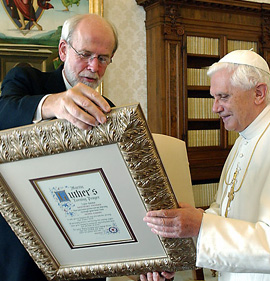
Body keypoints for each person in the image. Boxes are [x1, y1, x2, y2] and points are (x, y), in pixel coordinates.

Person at [0, 14, 173, 281]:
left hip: (86, 254)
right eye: (85, 54)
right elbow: (4, 112)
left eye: (103, 58)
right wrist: (54, 104)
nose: (93, 66)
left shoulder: (110, 110)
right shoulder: (27, 79)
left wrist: (148, 256)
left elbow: (124, 186)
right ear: (62, 50)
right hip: (25, 252)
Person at [143, 50, 270, 280]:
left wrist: (202, 226)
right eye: (213, 97)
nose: (215, 108)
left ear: (259, 93)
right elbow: (224, 210)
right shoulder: (244, 138)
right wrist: (183, 237)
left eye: (223, 96)